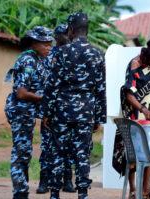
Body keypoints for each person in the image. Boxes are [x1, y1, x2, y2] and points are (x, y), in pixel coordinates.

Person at [41, 12, 106, 199]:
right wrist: (99, 117)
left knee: (57, 153)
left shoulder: (61, 52)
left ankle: (54, 194)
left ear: (70, 30)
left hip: (62, 111)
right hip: (86, 113)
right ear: (86, 30)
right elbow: (101, 89)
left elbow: (52, 85)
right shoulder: (97, 55)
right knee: (82, 155)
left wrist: (47, 113)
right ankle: (83, 194)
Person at [113, 37, 150, 199]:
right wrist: (142, 109)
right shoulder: (135, 64)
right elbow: (129, 94)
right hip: (133, 112)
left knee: (149, 149)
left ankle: (146, 189)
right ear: (149, 52)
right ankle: (132, 190)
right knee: (132, 151)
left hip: (147, 112)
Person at [4, 26, 53, 199]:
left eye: (50, 44)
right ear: (34, 43)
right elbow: (22, 93)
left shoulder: (38, 59)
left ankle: (21, 190)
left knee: (25, 152)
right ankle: (20, 192)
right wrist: (45, 97)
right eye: (45, 44)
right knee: (21, 152)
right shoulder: (27, 60)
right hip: (20, 111)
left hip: (28, 112)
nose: (48, 47)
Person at [36, 24, 76, 194]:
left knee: (68, 147)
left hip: (67, 110)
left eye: (69, 34)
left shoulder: (74, 55)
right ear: (57, 36)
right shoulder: (48, 56)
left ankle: (67, 182)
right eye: (64, 34)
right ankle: (44, 182)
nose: (67, 37)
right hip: (51, 109)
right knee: (47, 147)